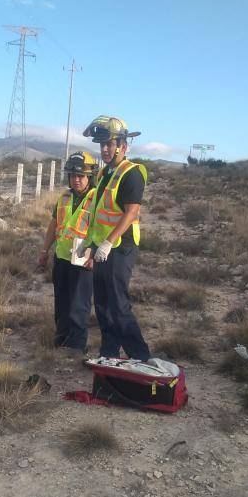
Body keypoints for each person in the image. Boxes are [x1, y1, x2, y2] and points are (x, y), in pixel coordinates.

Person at [82, 115, 151, 360]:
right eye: (102, 144)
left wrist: (109, 242)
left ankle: (140, 356)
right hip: (102, 248)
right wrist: (92, 244)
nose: (105, 149)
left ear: (123, 145)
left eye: (109, 144)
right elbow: (99, 213)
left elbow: (131, 212)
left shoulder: (131, 173)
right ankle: (109, 352)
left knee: (118, 305)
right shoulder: (104, 174)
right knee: (101, 304)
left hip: (121, 248)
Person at [38, 151, 98, 352]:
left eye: (81, 176)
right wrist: (45, 250)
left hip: (83, 259)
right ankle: (61, 339)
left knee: (78, 305)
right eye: (73, 175)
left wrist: (95, 252)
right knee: (62, 304)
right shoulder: (64, 197)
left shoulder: (97, 198)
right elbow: (54, 224)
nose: (76, 179)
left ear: (90, 176)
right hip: (62, 257)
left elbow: (102, 229)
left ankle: (76, 347)